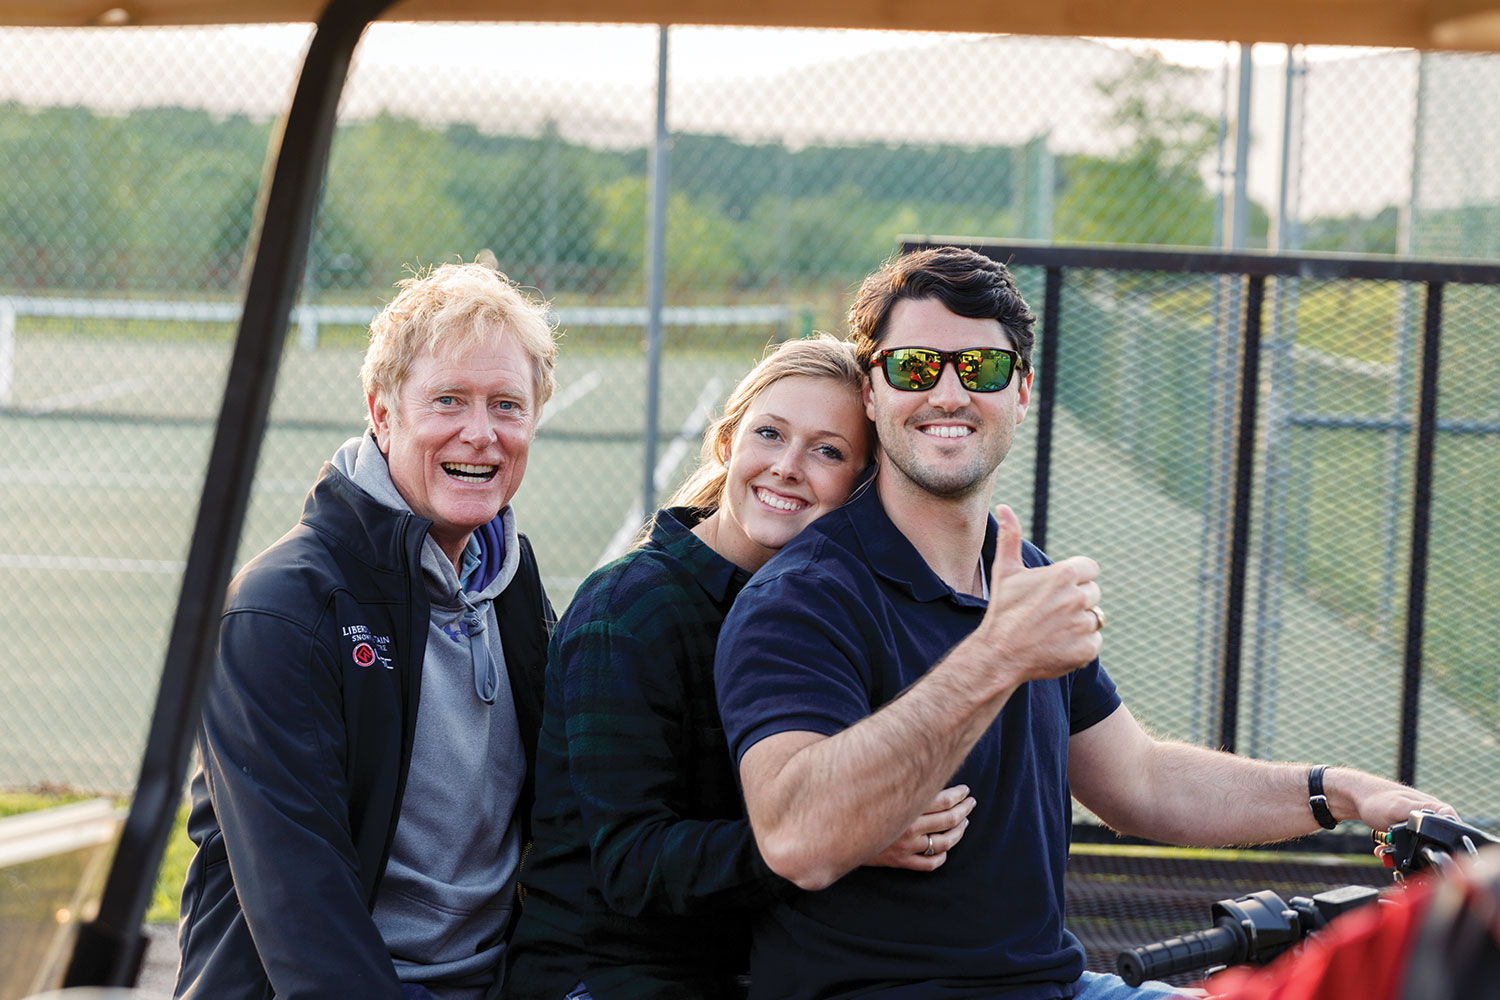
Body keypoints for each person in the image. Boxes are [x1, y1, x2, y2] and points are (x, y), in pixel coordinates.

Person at [712, 245, 1457, 1000]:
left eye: (980, 369)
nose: (945, 392)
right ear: (872, 393)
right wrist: (997, 657)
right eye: (913, 367)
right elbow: (798, 839)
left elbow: (1140, 781)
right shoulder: (803, 598)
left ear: (1022, 392)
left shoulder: (1022, 572)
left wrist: (1342, 792)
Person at [502, 336, 976, 1000]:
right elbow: (632, 864)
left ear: (865, 486)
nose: (786, 466)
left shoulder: (828, 615)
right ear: (728, 444)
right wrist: (839, 837)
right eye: (770, 434)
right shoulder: (629, 611)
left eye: (828, 451)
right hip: (604, 978)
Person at [175, 261, 558, 1000]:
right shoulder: (279, 612)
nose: (480, 434)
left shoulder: (512, 581)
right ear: (382, 412)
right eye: (448, 400)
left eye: (507, 405)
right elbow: (307, 923)